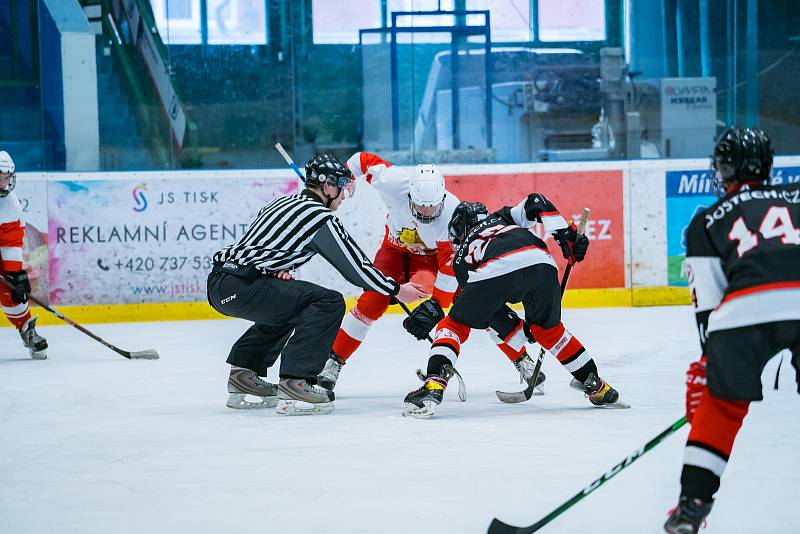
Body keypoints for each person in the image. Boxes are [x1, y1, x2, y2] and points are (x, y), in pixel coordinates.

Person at [207, 153, 426, 415]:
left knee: (295, 303)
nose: (344, 196)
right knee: (328, 302)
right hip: (243, 287)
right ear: (327, 186)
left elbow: (262, 248)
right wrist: (397, 289)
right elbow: (357, 269)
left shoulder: (280, 204)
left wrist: (274, 269)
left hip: (221, 284)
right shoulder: (319, 217)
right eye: (342, 187)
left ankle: (243, 374)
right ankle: (296, 381)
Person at [318, 152, 547, 393]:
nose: (427, 212)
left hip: (434, 258)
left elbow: (449, 265)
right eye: (420, 206)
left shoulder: (452, 211)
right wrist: (343, 182)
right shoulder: (393, 182)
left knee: (477, 301)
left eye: (432, 207)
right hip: (395, 252)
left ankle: (522, 360)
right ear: (409, 196)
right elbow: (361, 160)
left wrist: (435, 306)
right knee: (373, 300)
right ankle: (333, 363)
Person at [664, 128, 800, 533]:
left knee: (721, 408)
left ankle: (692, 507)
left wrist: (709, 365)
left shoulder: (706, 219)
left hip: (744, 307)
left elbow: (708, 303)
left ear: (723, 168)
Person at [401, 194, 628, 418]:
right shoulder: (503, 218)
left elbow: (486, 310)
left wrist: (516, 331)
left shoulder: (461, 257)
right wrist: (565, 234)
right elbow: (536, 201)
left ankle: (434, 384)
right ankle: (597, 385)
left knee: (454, 325)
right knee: (550, 332)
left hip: (496, 268)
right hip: (543, 262)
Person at [0, 151, 47, 360]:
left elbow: (10, 241)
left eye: (7, 177)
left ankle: (27, 329)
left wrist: (14, 274)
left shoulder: (11, 204)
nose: (3, 183)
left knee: (11, 289)